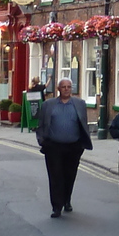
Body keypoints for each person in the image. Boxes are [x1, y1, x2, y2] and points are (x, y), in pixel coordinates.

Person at [36, 79, 93, 218]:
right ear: (58, 89)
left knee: (70, 175)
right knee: (55, 176)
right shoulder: (48, 105)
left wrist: (81, 144)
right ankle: (57, 206)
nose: (67, 89)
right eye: (64, 87)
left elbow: (83, 124)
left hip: (74, 146)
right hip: (54, 146)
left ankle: (67, 200)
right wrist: (43, 141)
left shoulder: (80, 104)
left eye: (69, 87)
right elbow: (41, 124)